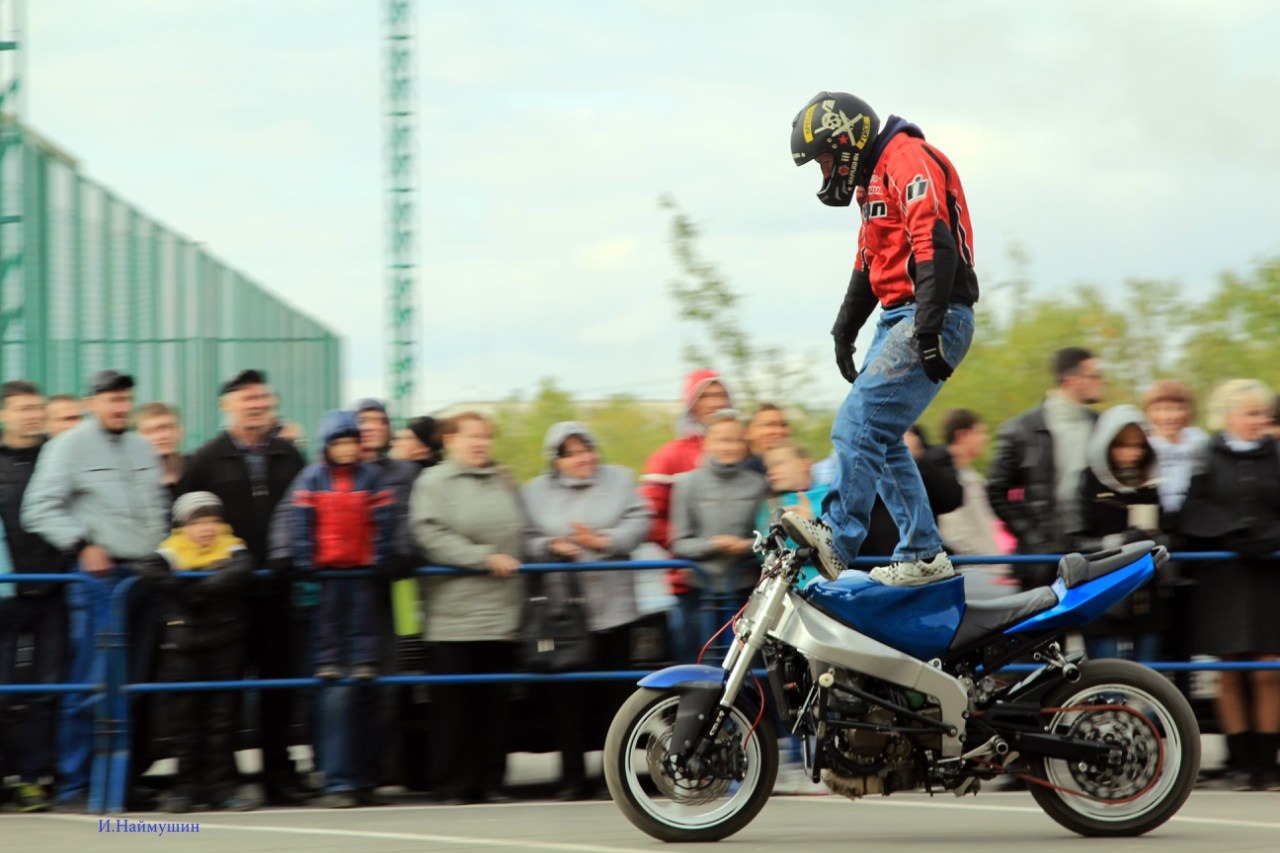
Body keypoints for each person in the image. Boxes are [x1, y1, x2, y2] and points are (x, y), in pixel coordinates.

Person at [781, 91, 977, 587]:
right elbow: (868, 261)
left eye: (826, 159)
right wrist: (844, 330)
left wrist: (929, 325)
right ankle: (924, 552)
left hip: (935, 309)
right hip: (901, 314)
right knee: (881, 437)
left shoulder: (906, 157)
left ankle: (837, 536)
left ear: (848, 140)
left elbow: (933, 236)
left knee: (854, 427)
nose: (826, 172)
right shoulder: (873, 180)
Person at [22, 369, 169, 810]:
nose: (120, 406)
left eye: (125, 399)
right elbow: (38, 509)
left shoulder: (142, 444)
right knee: (91, 682)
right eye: (111, 399)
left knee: (131, 684)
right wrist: (82, 544)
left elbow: (158, 505)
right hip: (101, 583)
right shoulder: (66, 446)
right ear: (92, 402)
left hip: (145, 577)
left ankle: (119, 783)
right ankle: (75, 785)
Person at [177, 369, 309, 805]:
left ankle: (279, 776)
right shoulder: (205, 459)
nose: (256, 405)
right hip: (226, 596)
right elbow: (181, 523)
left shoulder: (291, 457)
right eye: (247, 398)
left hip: (278, 591)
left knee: (279, 689)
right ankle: (223, 779)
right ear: (226, 405)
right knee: (225, 693)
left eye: (262, 398)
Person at [521, 422, 651, 800]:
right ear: (556, 460)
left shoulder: (622, 480)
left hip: (614, 609)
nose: (584, 459)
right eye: (573, 453)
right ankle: (572, 776)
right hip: (565, 613)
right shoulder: (533, 492)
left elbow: (641, 522)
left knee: (616, 696)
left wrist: (605, 541)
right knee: (569, 697)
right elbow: (526, 539)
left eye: (587, 449)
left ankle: (616, 775)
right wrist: (552, 546)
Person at [409, 412, 525, 804]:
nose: (480, 443)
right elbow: (428, 534)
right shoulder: (434, 482)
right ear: (450, 440)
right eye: (471, 436)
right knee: (454, 709)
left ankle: (491, 781)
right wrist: (483, 557)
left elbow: (520, 531)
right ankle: (453, 784)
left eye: (485, 437)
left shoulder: (503, 479)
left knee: (494, 706)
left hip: (501, 613)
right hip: (454, 617)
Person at [1179, 379, 1280, 792]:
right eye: (1250, 413)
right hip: (1225, 574)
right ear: (1228, 417)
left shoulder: (1277, 455)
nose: (1259, 421)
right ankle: (1240, 763)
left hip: (1270, 572)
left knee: (1268, 671)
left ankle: (1267, 763)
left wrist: (1269, 536)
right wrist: (1231, 530)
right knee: (1230, 671)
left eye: (1262, 414)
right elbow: (1190, 511)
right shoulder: (1206, 456)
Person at [290, 410, 393, 808]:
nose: (347, 450)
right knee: (330, 624)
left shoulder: (371, 477)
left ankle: (363, 659)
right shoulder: (313, 477)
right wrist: (304, 561)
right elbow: (301, 522)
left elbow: (383, 520)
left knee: (363, 620)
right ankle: (331, 660)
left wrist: (380, 559)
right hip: (328, 570)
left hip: (362, 569)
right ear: (327, 446)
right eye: (340, 443)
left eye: (353, 442)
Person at [134, 492, 254, 813]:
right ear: (182, 525)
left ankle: (222, 789)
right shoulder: (170, 551)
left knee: (222, 720)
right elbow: (147, 569)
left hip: (225, 641)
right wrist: (183, 589)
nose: (206, 528)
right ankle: (185, 789)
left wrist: (203, 588)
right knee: (184, 721)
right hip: (184, 645)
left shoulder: (232, 546)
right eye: (197, 521)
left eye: (213, 520)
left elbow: (243, 568)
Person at [0, 381, 68, 812]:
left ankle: (31, 779)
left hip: (56, 590)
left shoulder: (58, 455)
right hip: (5, 594)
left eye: (37, 408)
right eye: (24, 408)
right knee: (3, 689)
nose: (33, 415)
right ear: (5, 414)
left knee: (48, 689)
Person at [986, 347, 1104, 588]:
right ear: (1072, 380)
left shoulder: (1103, 426)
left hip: (1095, 555)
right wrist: (1031, 535)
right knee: (1040, 625)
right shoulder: (1020, 429)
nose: (1102, 381)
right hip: (1040, 561)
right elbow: (996, 490)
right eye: (1096, 375)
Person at [1068, 405, 1167, 662]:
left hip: (1146, 595)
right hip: (1103, 593)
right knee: (1108, 675)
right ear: (1106, 443)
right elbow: (1074, 540)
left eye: (1138, 446)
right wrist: (1118, 544)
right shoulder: (1087, 480)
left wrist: (1158, 540)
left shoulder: (1151, 481)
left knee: (1148, 680)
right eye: (1122, 445)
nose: (1131, 453)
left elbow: (1167, 531)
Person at [669, 410, 767, 661]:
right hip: (701, 594)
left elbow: (767, 539)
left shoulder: (758, 484)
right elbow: (678, 542)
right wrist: (712, 545)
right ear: (708, 442)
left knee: (744, 666)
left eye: (736, 439)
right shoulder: (687, 484)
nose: (731, 446)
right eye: (723, 440)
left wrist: (744, 546)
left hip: (745, 592)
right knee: (705, 666)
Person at [640, 370, 733, 611]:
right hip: (690, 582)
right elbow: (648, 519)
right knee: (697, 650)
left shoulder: (739, 451)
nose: (716, 402)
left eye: (721, 394)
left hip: (739, 579)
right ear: (691, 404)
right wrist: (690, 545)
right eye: (705, 396)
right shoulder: (667, 457)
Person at [933, 409, 1015, 599]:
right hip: (975, 574)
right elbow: (958, 534)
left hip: (985, 571)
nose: (985, 438)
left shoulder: (971, 479)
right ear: (963, 435)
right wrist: (995, 568)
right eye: (980, 432)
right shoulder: (949, 481)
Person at [1141, 380, 1208, 531]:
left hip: (1193, 522)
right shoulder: (1142, 445)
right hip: (1153, 522)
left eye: (1177, 409)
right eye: (1160, 409)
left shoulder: (1201, 443)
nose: (1168, 416)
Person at [134, 401, 188, 504]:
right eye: (151, 431)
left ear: (181, 431)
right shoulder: (130, 480)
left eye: (169, 427)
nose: (162, 436)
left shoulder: (199, 470)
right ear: (137, 437)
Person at [744, 404, 791, 475]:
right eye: (769, 425)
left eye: (783, 425)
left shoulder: (801, 472)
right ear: (747, 433)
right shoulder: (737, 473)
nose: (779, 431)